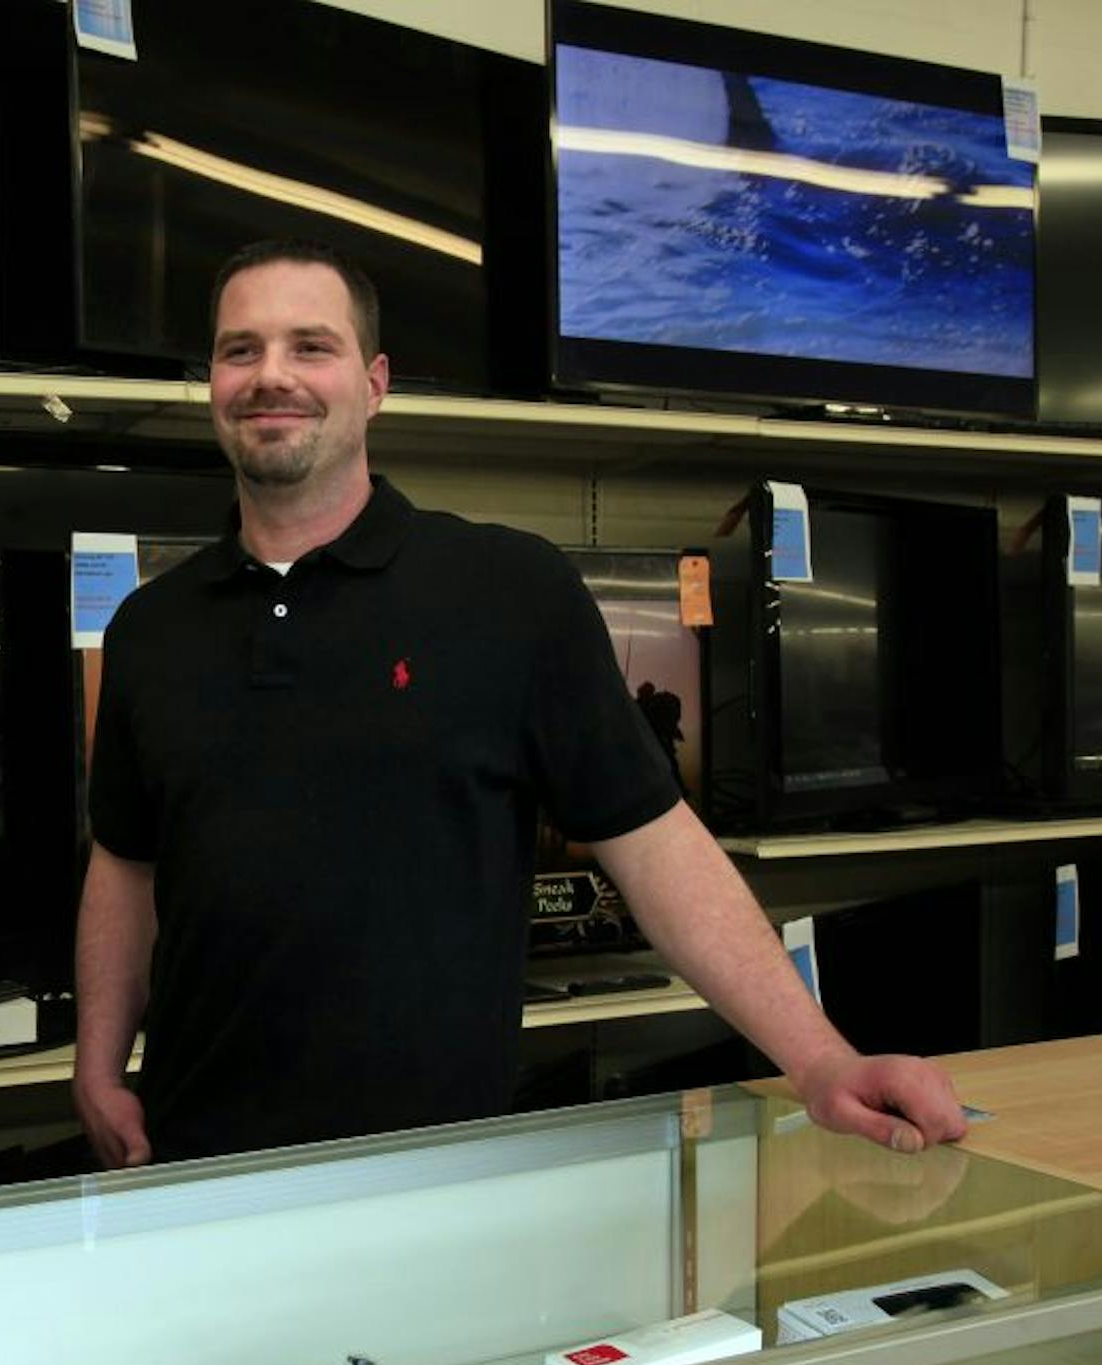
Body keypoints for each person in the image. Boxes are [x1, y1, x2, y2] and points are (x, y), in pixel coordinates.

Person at [72, 239, 966, 1170]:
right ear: (212, 380)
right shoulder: (149, 629)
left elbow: (657, 845)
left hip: (446, 1169)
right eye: (240, 350)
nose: (272, 377)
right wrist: (96, 1068)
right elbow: (126, 867)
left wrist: (821, 1060)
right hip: (197, 1165)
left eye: (311, 346)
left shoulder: (509, 590)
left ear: (375, 382)